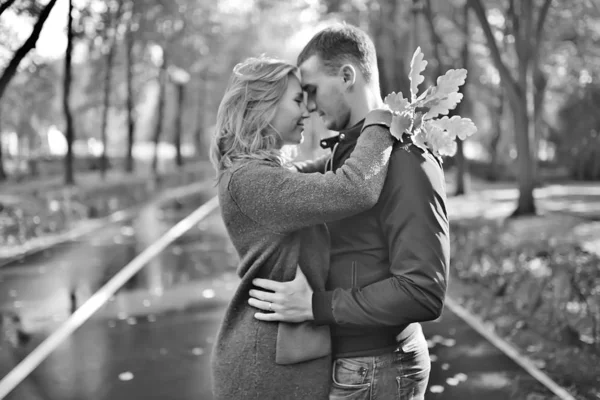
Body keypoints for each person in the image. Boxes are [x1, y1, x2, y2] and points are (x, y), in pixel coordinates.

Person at [248, 25, 450, 400]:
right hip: (357, 365)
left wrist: (315, 306)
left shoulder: (407, 160)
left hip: (377, 366)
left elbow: (422, 291)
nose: (308, 106)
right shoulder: (352, 157)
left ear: (346, 76)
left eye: (310, 90)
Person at [209, 56, 395, 400]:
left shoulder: (259, 175)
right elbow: (354, 189)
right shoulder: (251, 182)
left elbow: (312, 174)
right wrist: (379, 122)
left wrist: (349, 148)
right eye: (297, 100)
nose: (308, 110)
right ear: (261, 107)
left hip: (281, 352)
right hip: (266, 366)